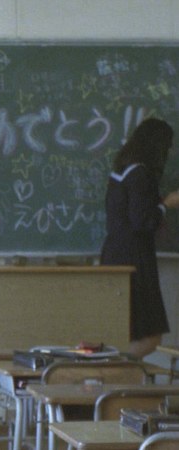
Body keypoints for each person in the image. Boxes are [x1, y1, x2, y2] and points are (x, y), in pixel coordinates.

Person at [101, 118, 179, 358]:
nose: (168, 153)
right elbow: (142, 221)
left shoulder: (122, 170)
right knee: (149, 336)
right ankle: (115, 369)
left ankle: (114, 369)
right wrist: (166, 204)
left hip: (116, 254)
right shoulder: (140, 174)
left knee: (123, 330)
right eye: (167, 147)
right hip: (134, 260)